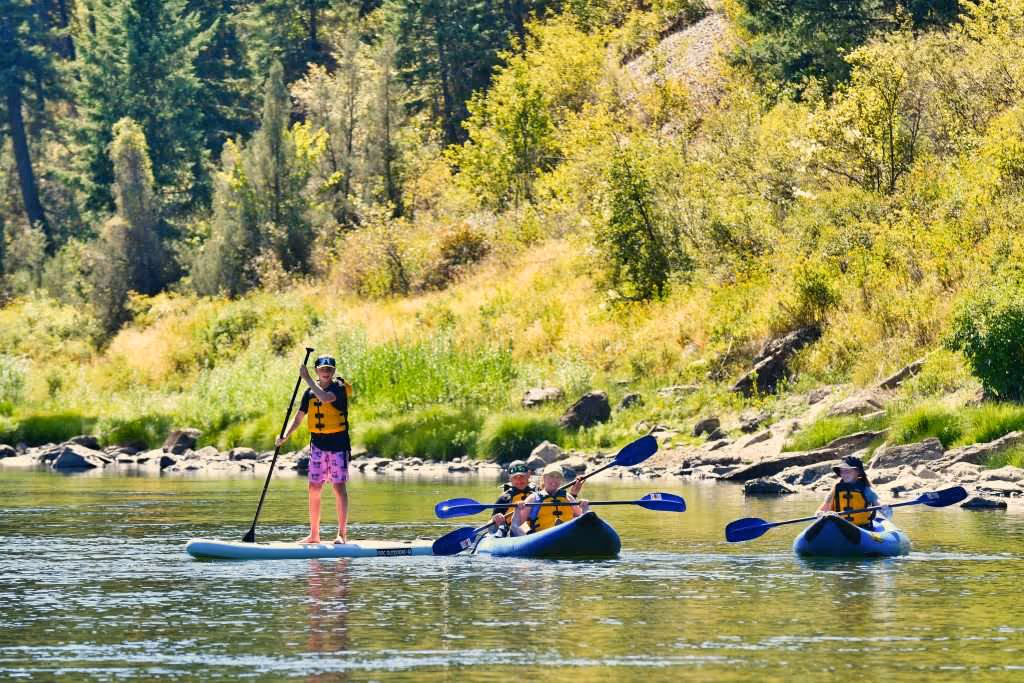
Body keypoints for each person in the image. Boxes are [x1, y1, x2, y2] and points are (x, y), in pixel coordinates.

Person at [277, 355, 353, 544]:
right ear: (317, 370)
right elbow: (299, 417)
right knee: (313, 488)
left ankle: (341, 534)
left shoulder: (339, 388)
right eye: (322, 369)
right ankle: (314, 535)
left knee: (338, 487)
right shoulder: (308, 393)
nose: (326, 372)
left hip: (338, 444)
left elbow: (326, 399)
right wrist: (285, 435)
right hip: (318, 445)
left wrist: (307, 378)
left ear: (333, 372)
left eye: (329, 369)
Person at [511, 463, 588, 536]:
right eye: (551, 476)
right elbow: (517, 524)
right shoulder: (533, 498)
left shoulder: (568, 497)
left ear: (561, 480)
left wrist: (585, 508)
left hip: (567, 536)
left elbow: (583, 518)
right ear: (544, 478)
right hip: (542, 539)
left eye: (558, 477)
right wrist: (517, 509)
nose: (554, 480)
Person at [816, 455, 882, 528]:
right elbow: (823, 508)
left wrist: (884, 507)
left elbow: (879, 504)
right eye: (842, 471)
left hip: (862, 528)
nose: (844, 474)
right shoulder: (836, 488)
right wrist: (820, 513)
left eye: (847, 471)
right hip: (839, 527)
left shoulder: (866, 489)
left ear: (858, 472)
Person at [488, 461, 536, 536]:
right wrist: (496, 519)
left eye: (522, 476)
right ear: (510, 478)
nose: (519, 480)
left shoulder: (537, 493)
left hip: (536, 528)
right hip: (512, 532)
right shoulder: (504, 498)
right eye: (515, 477)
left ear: (528, 475)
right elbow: (491, 528)